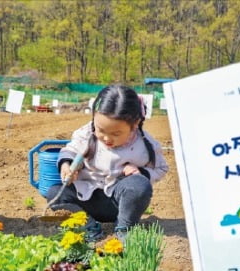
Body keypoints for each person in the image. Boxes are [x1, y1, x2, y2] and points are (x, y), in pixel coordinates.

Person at [46, 85, 168, 242]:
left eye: (116, 134)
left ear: (135, 124)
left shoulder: (144, 145)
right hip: (85, 198)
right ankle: (88, 227)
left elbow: (161, 168)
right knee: (55, 195)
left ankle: (124, 227)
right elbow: (68, 151)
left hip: (119, 203)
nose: (107, 138)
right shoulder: (85, 134)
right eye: (100, 130)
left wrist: (141, 172)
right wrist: (66, 166)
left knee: (139, 185)